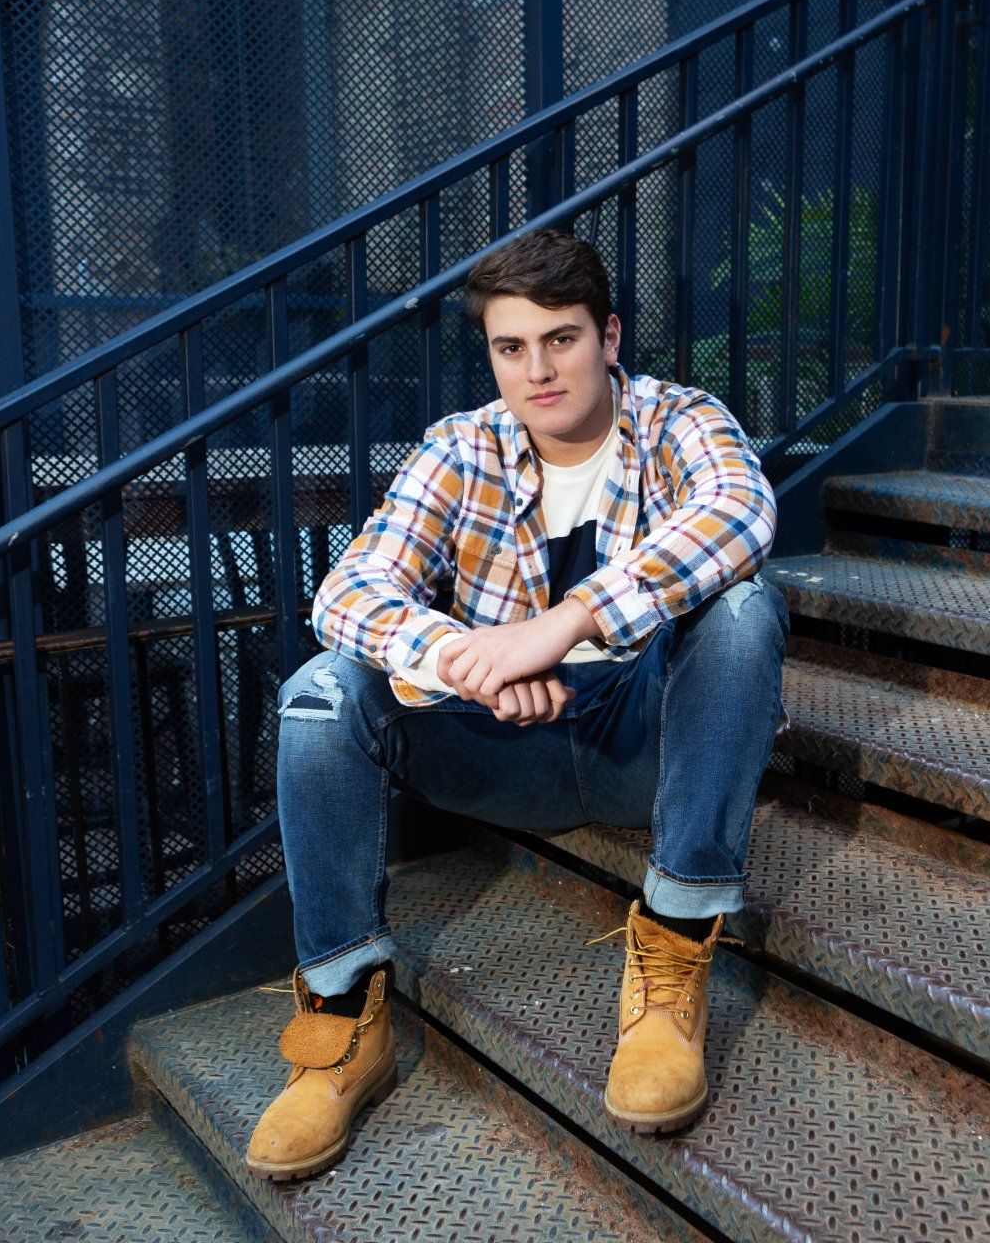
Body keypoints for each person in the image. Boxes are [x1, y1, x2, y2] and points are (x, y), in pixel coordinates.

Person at [244, 226, 790, 1181]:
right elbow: (347, 593)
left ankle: (670, 961)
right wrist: (468, 656)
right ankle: (342, 1018)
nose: (537, 370)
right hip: (500, 742)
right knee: (318, 694)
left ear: (610, 337)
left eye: (562, 339)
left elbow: (741, 515)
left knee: (743, 607)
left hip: (643, 737)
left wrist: (564, 624)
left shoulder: (679, 421)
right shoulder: (462, 446)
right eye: (511, 347)